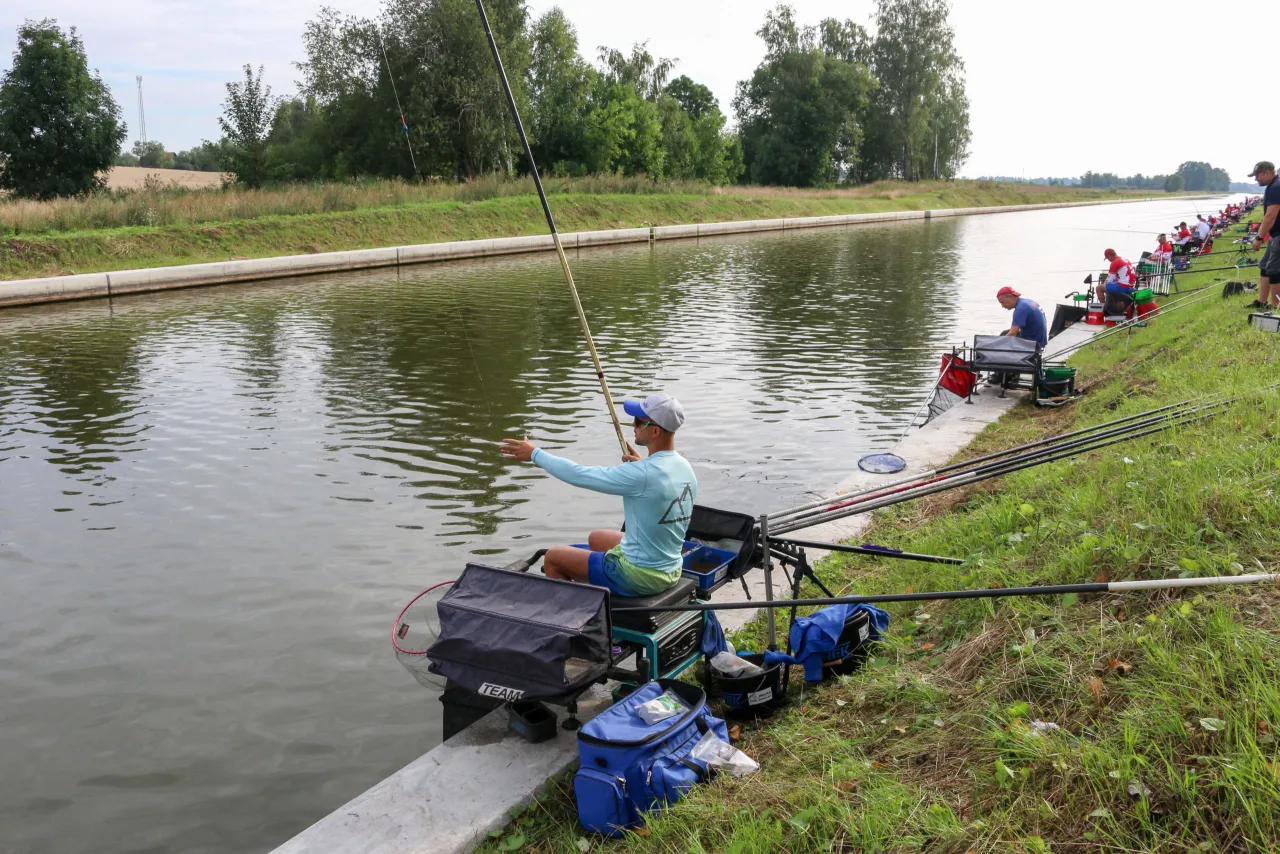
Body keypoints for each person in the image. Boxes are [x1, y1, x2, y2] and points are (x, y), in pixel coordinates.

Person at [498, 393, 697, 598]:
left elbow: (579, 474)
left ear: (654, 431)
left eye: (638, 421)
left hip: (640, 577)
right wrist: (640, 465)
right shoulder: (683, 467)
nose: (633, 426)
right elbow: (657, 488)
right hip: (671, 569)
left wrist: (535, 454)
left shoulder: (642, 474)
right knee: (597, 538)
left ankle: (577, 620)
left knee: (553, 557)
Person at [1248, 161, 1280, 311]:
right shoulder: (1271, 186)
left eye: (1258, 176)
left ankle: (1275, 306)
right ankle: (1261, 301)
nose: (1256, 179)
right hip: (1275, 234)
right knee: (1264, 266)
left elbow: (1271, 216)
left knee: (1274, 269)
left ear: (1267, 173)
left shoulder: (1276, 187)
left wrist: (1259, 238)